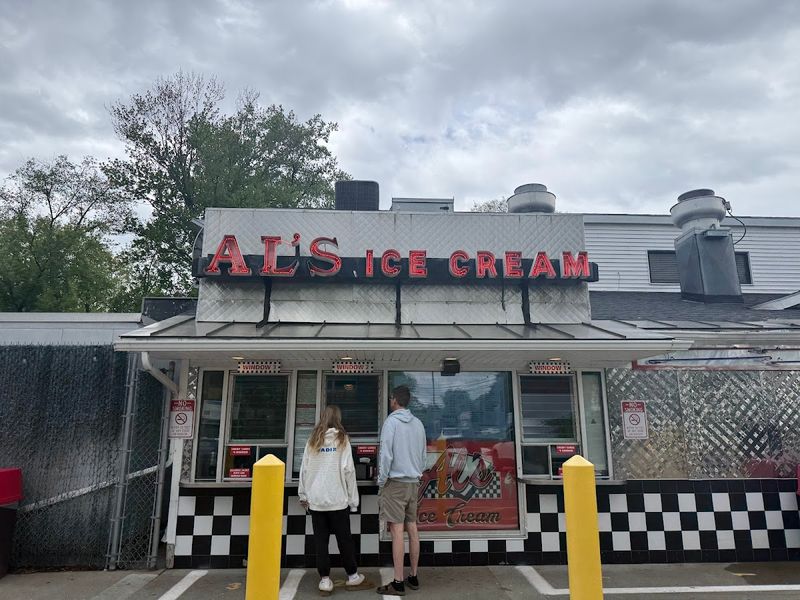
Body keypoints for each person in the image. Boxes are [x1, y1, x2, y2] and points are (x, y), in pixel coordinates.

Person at [299, 405, 371, 595]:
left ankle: (324, 581)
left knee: (320, 542)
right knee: (344, 539)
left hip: (316, 501)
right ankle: (353, 576)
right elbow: (349, 471)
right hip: (338, 500)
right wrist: (353, 501)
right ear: (338, 419)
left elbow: (304, 470)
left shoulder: (312, 440)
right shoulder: (342, 440)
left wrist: (303, 495)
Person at [376, 385, 427, 596]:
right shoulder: (418, 424)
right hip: (413, 483)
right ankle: (413, 576)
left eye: (391, 399)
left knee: (397, 532)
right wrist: (416, 473)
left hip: (395, 483)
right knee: (412, 529)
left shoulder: (391, 423)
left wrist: (381, 479)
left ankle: (398, 581)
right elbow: (424, 456)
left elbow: (386, 454)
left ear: (394, 400)